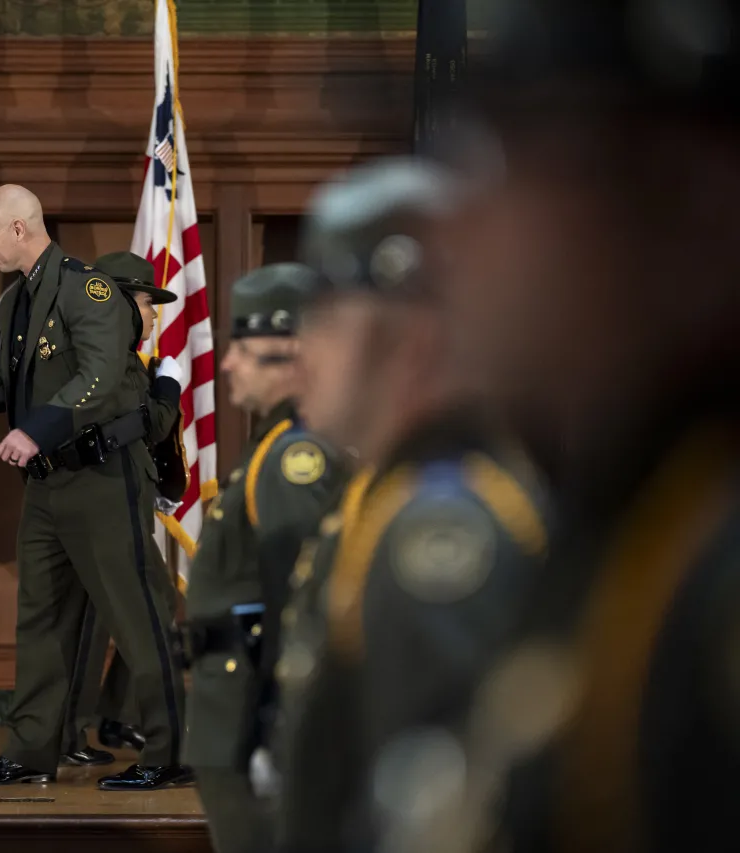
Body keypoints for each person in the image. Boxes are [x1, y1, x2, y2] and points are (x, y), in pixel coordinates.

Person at [423, 1, 740, 850]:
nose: (456, 228)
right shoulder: (635, 511)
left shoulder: (712, 575)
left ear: (694, 199)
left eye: (517, 165)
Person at [270, 158, 551, 853]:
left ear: (414, 339)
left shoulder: (443, 531)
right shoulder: (390, 498)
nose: (298, 355)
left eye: (326, 320)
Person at [0, 184, 191, 791]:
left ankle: (171, 753)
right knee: (42, 623)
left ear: (21, 229)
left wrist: (37, 430)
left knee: (139, 618)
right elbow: (15, 381)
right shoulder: (26, 294)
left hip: (103, 481)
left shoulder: (89, 289)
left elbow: (100, 377)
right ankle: (30, 754)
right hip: (50, 487)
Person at [178, 262, 347, 853]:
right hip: (232, 705)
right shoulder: (272, 447)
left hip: (249, 710)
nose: (227, 364)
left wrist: (276, 726)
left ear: (291, 354)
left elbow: (298, 601)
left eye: (244, 350)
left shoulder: (294, 458)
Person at [59, 250, 183, 767]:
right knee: (90, 620)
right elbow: (144, 422)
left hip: (123, 497)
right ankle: (67, 733)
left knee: (155, 602)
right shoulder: (102, 358)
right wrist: (169, 390)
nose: (154, 315)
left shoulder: (128, 358)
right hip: (97, 500)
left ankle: (113, 712)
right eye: (146, 302)